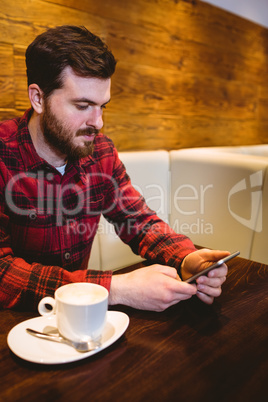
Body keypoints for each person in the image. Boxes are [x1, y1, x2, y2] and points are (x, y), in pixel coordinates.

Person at [0, 25, 229, 312]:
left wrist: (186, 258)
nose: (98, 122)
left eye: (102, 107)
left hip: (83, 323)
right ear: (38, 98)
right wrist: (115, 288)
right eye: (83, 105)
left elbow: (137, 220)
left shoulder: (101, 152)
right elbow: (2, 274)